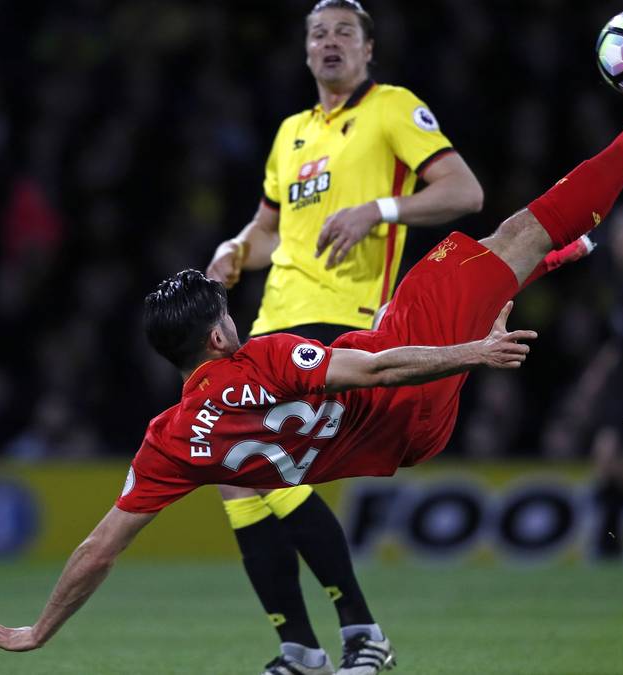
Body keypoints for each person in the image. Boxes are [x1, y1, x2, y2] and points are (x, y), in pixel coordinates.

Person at [0, 27, 623, 672]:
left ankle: (314, 645)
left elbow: (101, 546)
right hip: (397, 376)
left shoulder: (170, 441)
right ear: (222, 334)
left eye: (341, 30)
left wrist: (39, 630)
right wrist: (474, 352)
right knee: (520, 232)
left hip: (398, 427)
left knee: (492, 255)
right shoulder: (268, 355)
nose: (328, 41)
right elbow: (378, 366)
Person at [203, 0, 486, 670]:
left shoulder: (391, 108)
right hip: (271, 323)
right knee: (238, 472)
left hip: (346, 322)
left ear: (368, 50)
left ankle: (358, 632)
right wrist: (236, 247)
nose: (330, 43)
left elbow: (465, 192)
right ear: (305, 53)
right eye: (318, 34)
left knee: (262, 463)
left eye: (344, 33)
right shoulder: (290, 132)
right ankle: (308, 646)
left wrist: (379, 210)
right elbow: (271, 232)